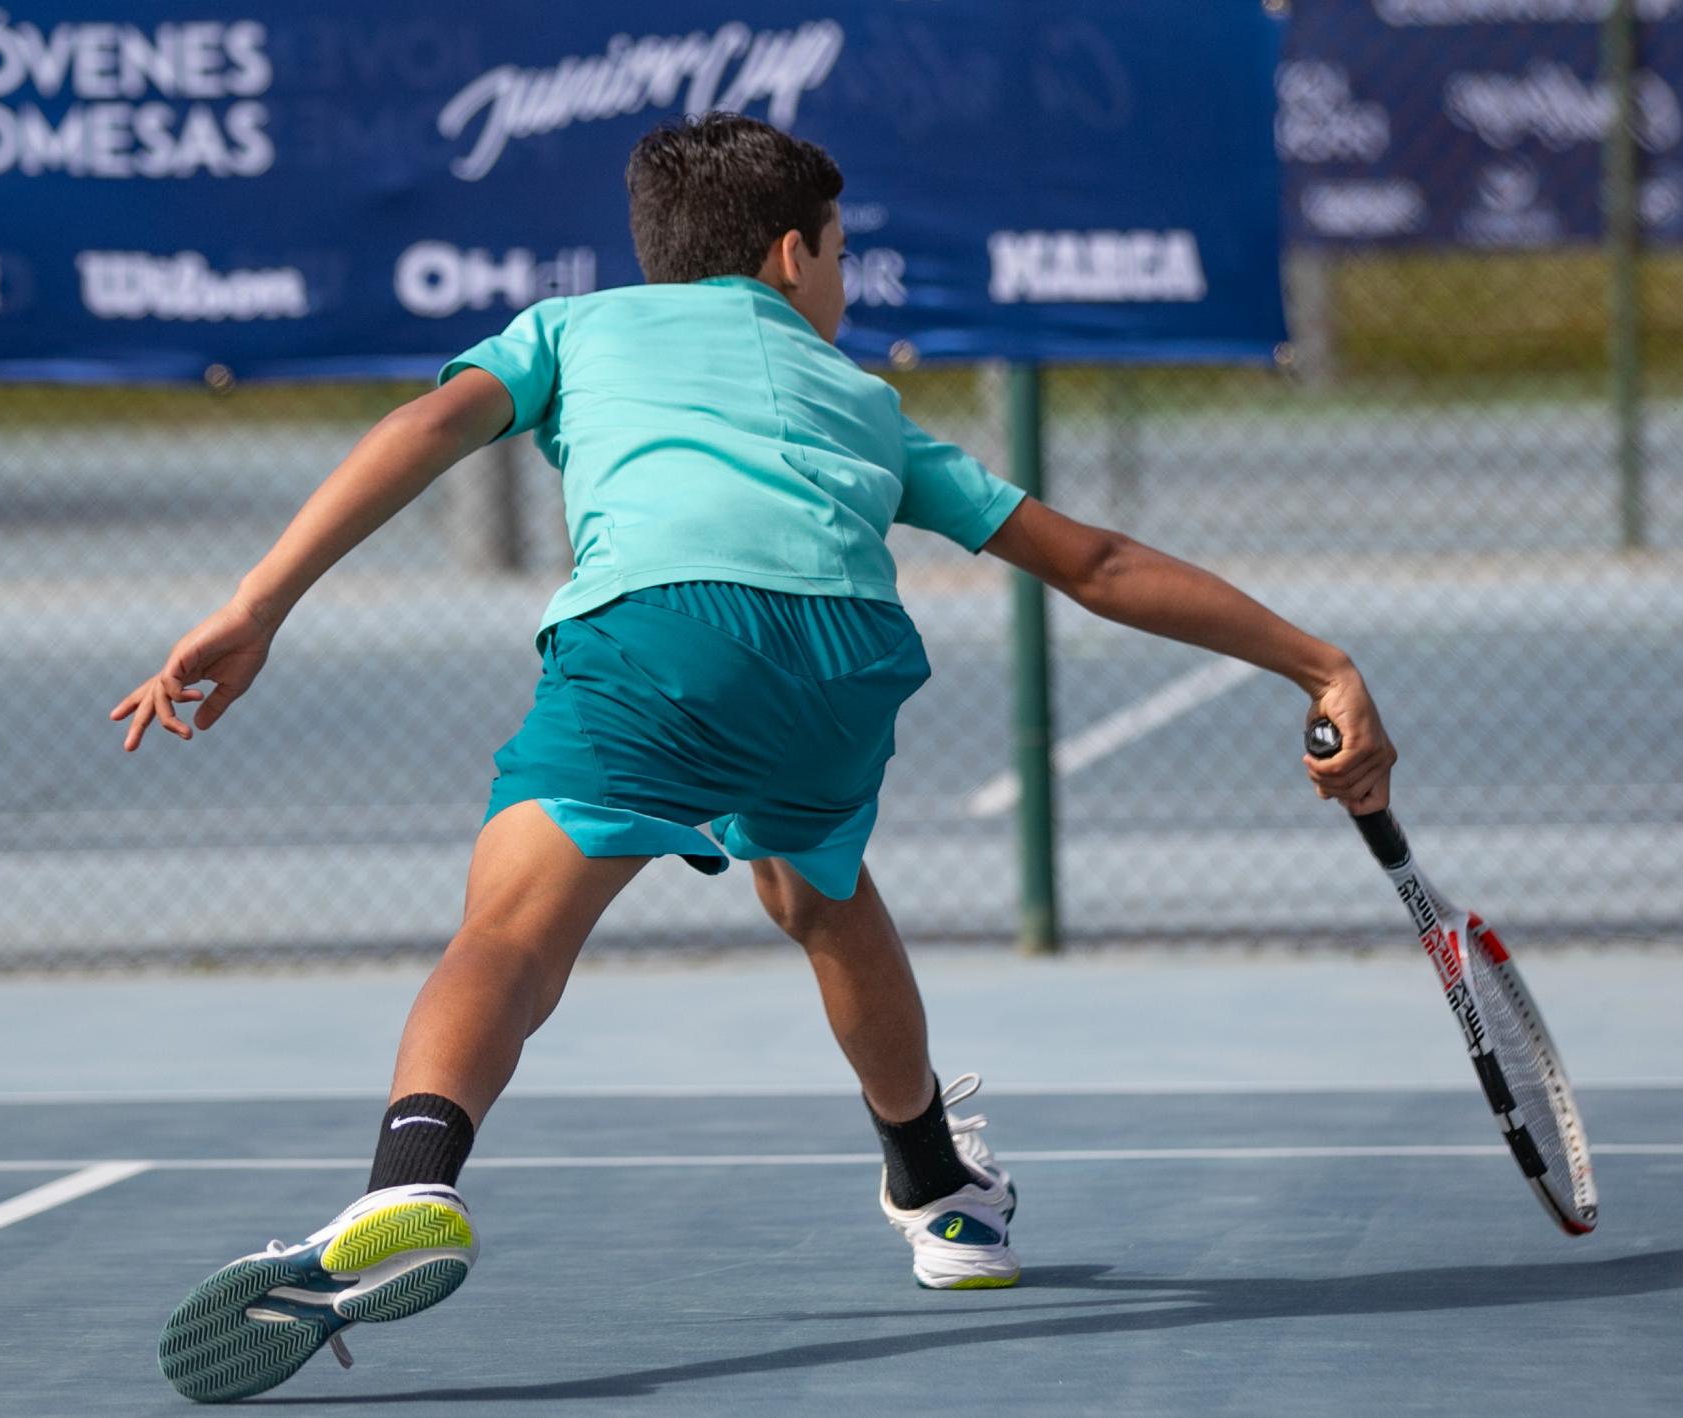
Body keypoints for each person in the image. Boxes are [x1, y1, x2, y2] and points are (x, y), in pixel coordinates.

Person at [114, 114, 1395, 1403]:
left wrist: (259, 603)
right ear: (793, 254)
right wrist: (1320, 664)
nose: (844, 280)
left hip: (662, 637)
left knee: (510, 932)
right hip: (844, 662)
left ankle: (408, 1189)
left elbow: (432, 424)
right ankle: (942, 1194)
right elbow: (1097, 563)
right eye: (841, 254)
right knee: (821, 892)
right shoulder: (868, 405)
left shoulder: (574, 328)